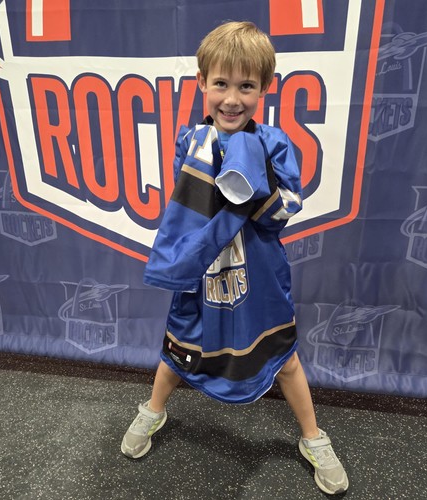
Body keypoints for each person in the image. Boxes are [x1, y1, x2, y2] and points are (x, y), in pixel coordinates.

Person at [121, 21, 349, 495]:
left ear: (265, 87)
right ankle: (152, 411)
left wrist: (251, 174)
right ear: (202, 82)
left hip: (259, 274)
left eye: (246, 86)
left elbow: (284, 210)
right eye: (221, 83)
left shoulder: (273, 143)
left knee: (285, 358)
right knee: (178, 351)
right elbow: (186, 210)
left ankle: (313, 436)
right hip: (203, 274)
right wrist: (220, 172)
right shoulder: (192, 142)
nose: (231, 99)